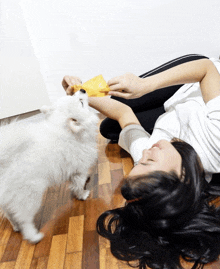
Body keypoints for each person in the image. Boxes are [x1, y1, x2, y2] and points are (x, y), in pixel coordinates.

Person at [62, 54, 220, 269]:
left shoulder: (149, 156)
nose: (144, 155)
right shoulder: (216, 143)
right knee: (130, 94)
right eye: (149, 161)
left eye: (138, 164)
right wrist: (145, 85)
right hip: (207, 74)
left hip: (181, 99)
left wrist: (79, 95)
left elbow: (123, 113)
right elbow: (206, 68)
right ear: (181, 178)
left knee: (109, 125)